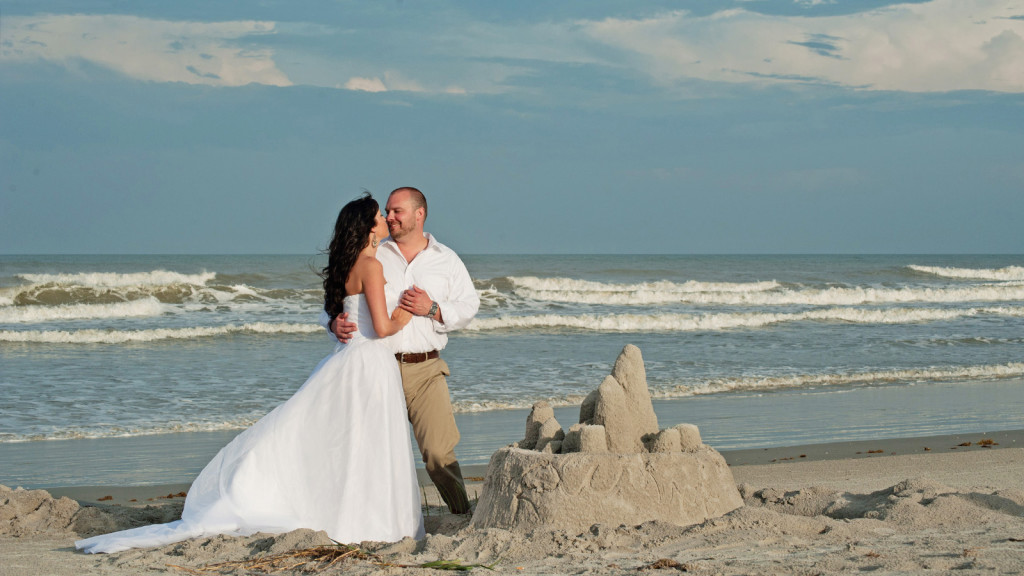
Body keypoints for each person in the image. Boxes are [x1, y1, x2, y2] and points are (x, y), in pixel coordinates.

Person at [76, 194, 424, 554]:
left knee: (347, 442)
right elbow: (382, 327)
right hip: (368, 363)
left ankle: (349, 516)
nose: (385, 218)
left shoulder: (351, 264)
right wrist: (408, 312)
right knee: (366, 444)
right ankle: (370, 520)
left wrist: (339, 322)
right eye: (379, 215)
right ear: (368, 228)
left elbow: (347, 314)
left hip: (350, 360)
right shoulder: (372, 265)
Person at [330, 186, 479, 514]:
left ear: (419, 214)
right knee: (375, 452)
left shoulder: (447, 259)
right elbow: (343, 298)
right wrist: (332, 324)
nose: (390, 217)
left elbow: (470, 305)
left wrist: (433, 308)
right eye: (386, 212)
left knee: (439, 453)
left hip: (426, 369)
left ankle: (461, 512)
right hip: (379, 368)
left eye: (397, 211)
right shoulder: (373, 254)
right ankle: (374, 517)